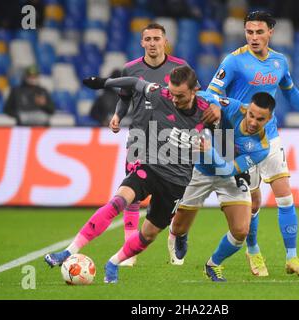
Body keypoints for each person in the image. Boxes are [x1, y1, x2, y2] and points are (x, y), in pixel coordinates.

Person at [44, 66, 221, 284]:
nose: (174, 99)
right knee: (118, 201)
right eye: (172, 94)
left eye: (180, 96)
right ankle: (68, 252)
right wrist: (103, 82)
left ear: (194, 91)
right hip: (149, 166)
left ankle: (114, 263)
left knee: (148, 235)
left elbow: (226, 118)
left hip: (176, 182)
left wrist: (214, 128)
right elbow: (133, 82)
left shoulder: (207, 111)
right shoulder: (160, 93)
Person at [203, 11, 299, 276]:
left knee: (285, 195)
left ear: (271, 31)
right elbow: (212, 91)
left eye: (259, 32)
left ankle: (292, 257)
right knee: (255, 203)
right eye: (249, 32)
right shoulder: (234, 61)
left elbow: (290, 91)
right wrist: (217, 110)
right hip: (242, 140)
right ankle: (254, 251)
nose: (254, 37)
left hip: (269, 136)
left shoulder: (279, 62)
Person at [108, 23, 193, 267]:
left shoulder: (181, 68)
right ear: (142, 42)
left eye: (157, 38)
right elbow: (124, 99)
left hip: (172, 142)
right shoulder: (131, 69)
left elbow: (194, 101)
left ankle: (176, 235)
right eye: (148, 39)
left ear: (165, 41)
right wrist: (117, 116)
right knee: (131, 195)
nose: (153, 43)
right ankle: (129, 251)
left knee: (173, 199)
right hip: (139, 139)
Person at [169, 92, 276, 282]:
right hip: (201, 171)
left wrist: (210, 150)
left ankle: (213, 265)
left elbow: (227, 170)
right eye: (251, 115)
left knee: (241, 231)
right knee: (178, 228)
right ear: (247, 109)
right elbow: (201, 94)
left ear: (269, 119)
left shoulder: (261, 147)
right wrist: (213, 105)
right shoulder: (234, 107)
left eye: (260, 119)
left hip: (230, 176)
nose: (253, 122)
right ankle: (180, 233)